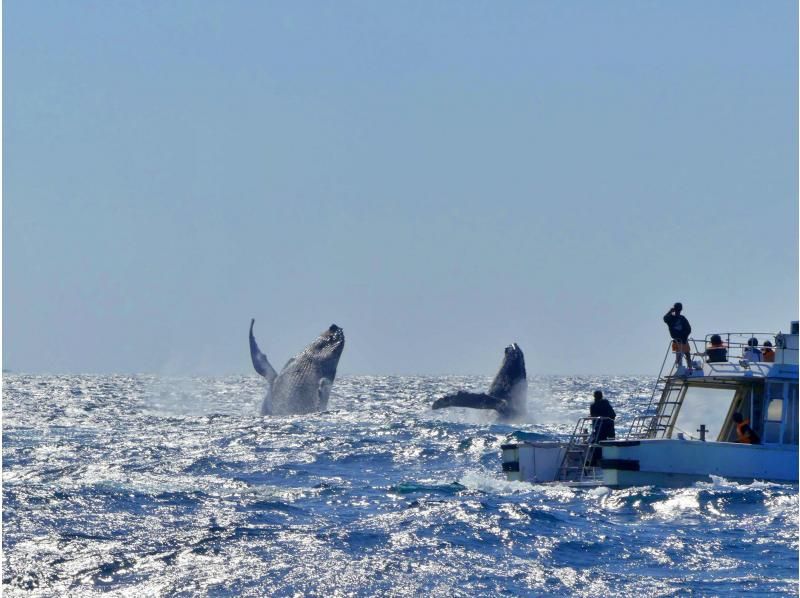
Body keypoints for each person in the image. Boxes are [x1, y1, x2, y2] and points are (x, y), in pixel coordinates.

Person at [589, 389, 616, 466]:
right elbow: (613, 415)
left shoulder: (593, 405)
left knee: (597, 444)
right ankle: (610, 458)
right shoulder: (606, 403)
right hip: (609, 426)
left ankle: (595, 461)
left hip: (600, 427)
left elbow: (593, 416)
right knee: (609, 442)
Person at [663, 303, 692, 370]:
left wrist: (684, 336)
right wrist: (670, 312)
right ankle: (680, 368)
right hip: (677, 340)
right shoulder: (671, 318)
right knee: (680, 356)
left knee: (687, 354)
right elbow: (665, 319)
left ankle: (689, 368)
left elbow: (688, 329)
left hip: (683, 340)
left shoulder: (682, 318)